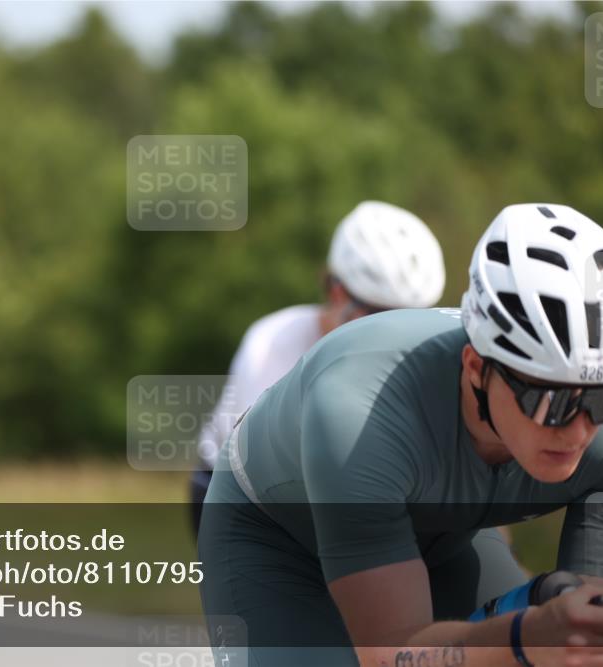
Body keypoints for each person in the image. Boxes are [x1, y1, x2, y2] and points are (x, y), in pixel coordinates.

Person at [199, 203, 603, 667]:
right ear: (476, 368)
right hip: (280, 537)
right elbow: (392, 655)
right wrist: (525, 635)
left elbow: (594, 643)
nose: (579, 428)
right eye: (550, 401)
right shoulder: (358, 412)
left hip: (440, 533)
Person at [189, 201, 446, 535]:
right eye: (381, 314)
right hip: (230, 491)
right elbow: (266, 474)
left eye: (415, 319)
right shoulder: (272, 344)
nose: (399, 333)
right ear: (337, 292)